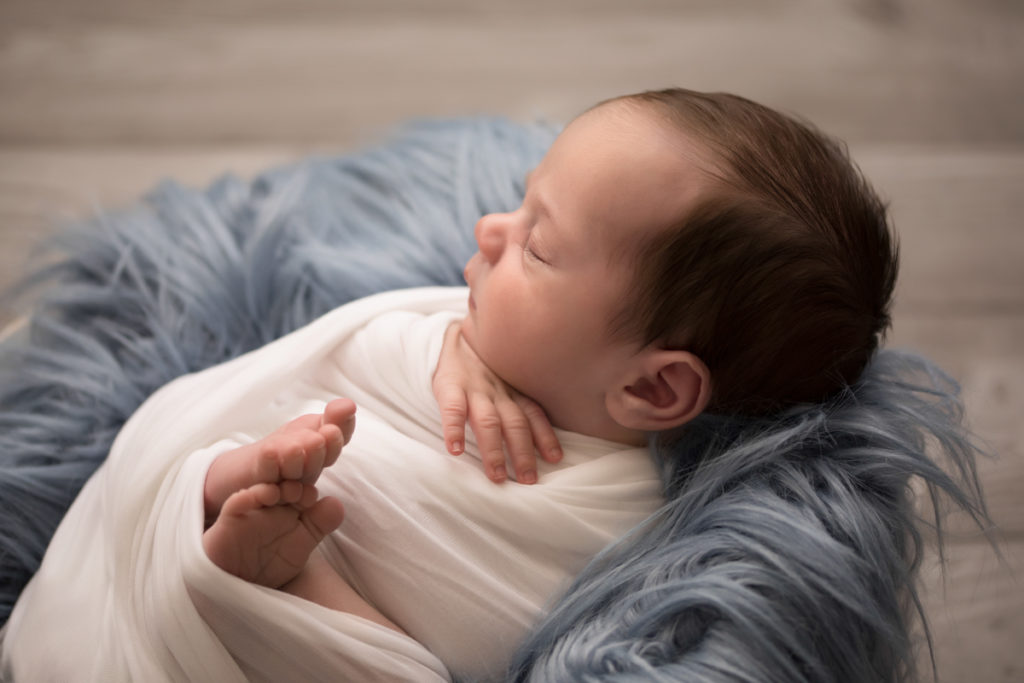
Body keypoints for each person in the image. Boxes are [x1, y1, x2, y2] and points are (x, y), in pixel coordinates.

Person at [199, 86, 897, 654]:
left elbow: (478, 643)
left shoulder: (611, 534)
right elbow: (323, 361)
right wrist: (455, 352)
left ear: (653, 386)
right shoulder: (458, 337)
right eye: (521, 199)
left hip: (270, 636)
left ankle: (279, 572)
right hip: (189, 502)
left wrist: (311, 593)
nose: (490, 230)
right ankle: (218, 493)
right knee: (231, 457)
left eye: (537, 246)